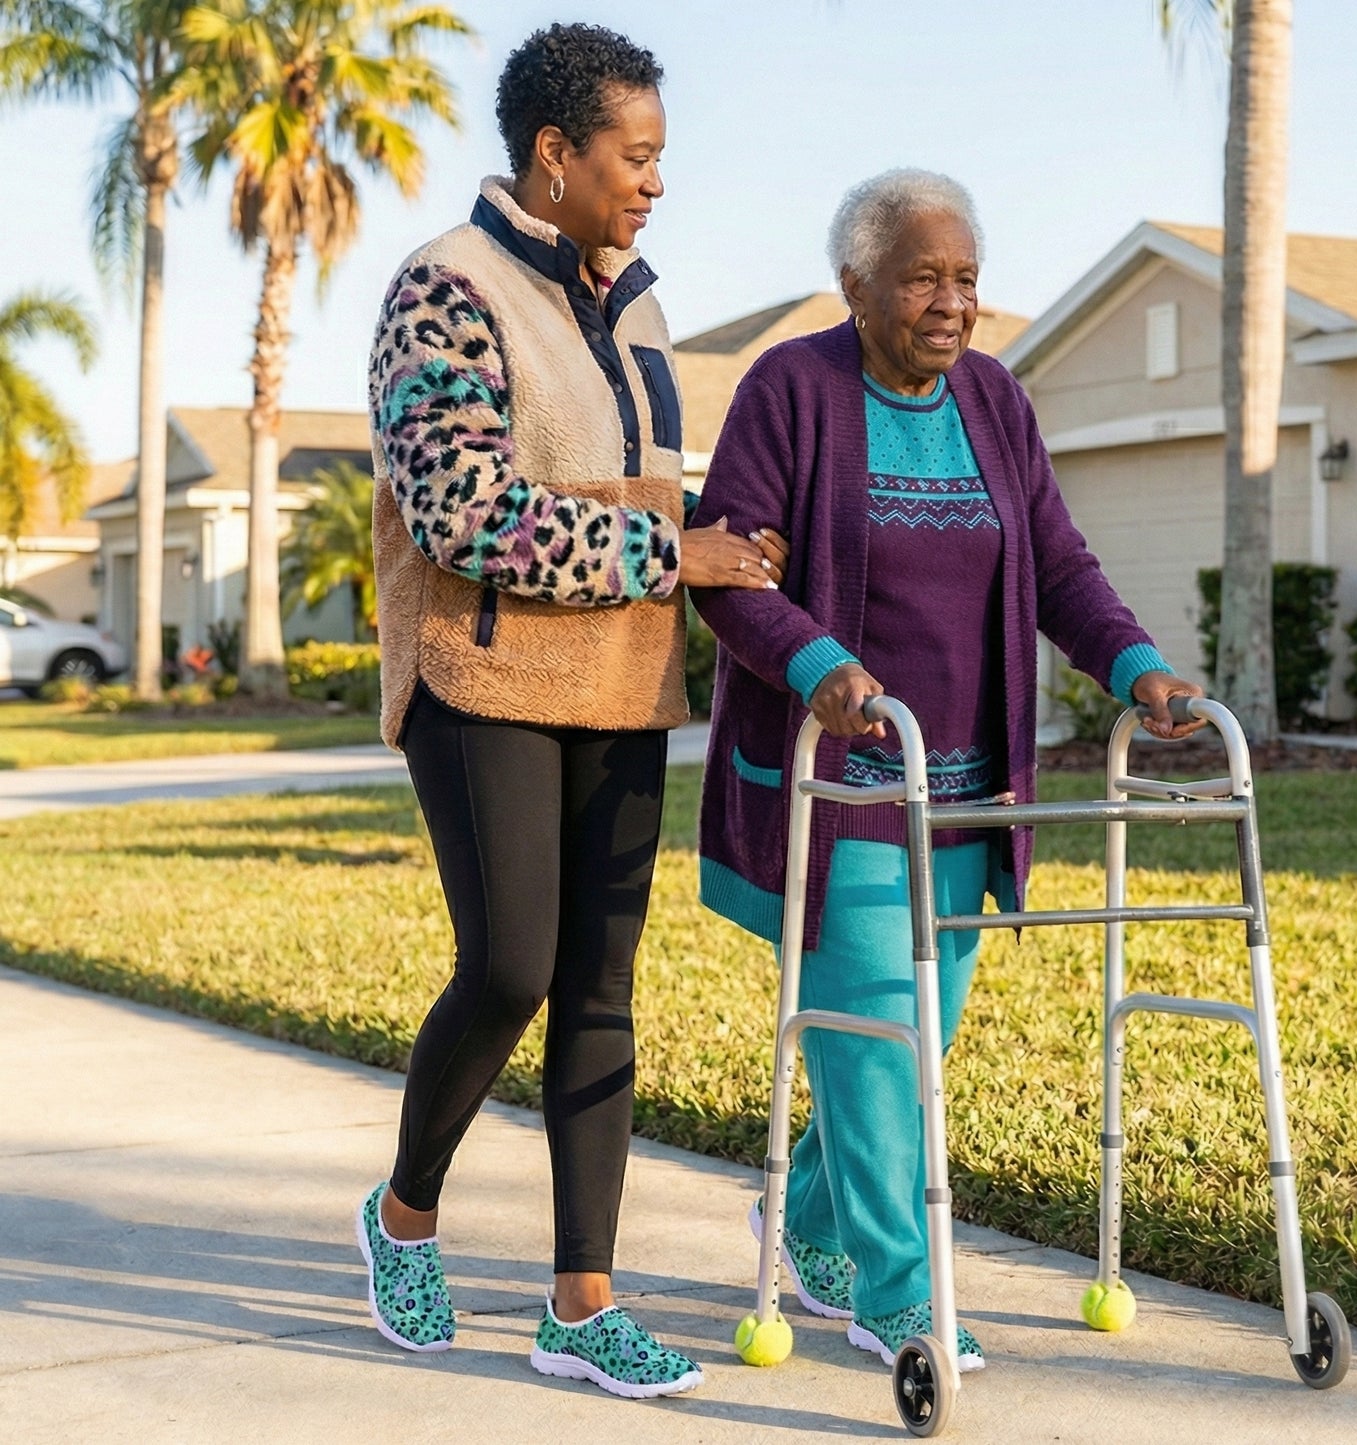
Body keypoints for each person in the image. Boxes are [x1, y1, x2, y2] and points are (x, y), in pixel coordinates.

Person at [690, 169, 1204, 1373]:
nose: (951, 302)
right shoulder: (790, 389)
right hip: (848, 789)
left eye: (965, 278)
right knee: (880, 1045)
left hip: (967, 791)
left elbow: (1058, 565)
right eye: (921, 277)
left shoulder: (993, 398)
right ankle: (898, 1292)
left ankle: (805, 1217)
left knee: (912, 1044)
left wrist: (1136, 668)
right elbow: (729, 572)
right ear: (855, 285)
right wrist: (817, 661)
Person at [356, 22, 785, 1400]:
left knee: (601, 985)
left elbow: (639, 489)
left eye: (660, 156)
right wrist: (673, 551)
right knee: (510, 967)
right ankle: (403, 1214)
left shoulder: (639, 308)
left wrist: (725, 544)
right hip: (478, 676)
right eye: (635, 155)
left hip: (617, 683)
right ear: (555, 152)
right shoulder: (445, 286)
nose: (656, 180)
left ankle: (581, 1303)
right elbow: (461, 510)